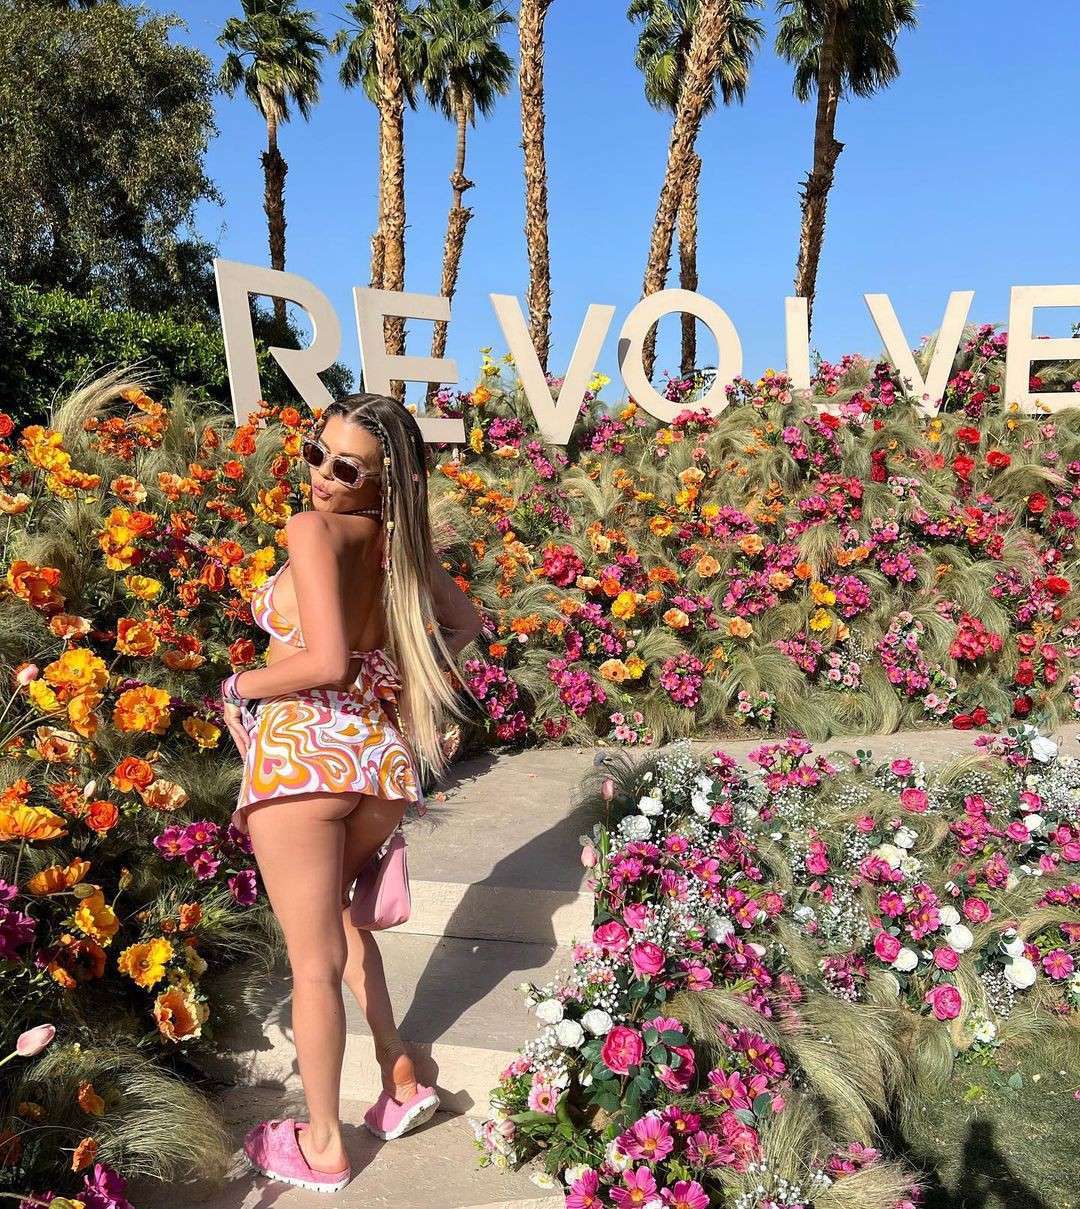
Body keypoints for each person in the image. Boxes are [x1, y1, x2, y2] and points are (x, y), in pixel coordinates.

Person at [218, 392, 484, 1193]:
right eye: (316, 454)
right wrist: (401, 682)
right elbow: (464, 622)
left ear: (383, 480)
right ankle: (398, 1075)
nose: (323, 477)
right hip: (376, 764)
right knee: (336, 919)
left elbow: (326, 661)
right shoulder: (401, 547)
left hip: (302, 761)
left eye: (346, 468)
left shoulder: (311, 530)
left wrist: (237, 684)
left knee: (312, 963)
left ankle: (324, 1142)